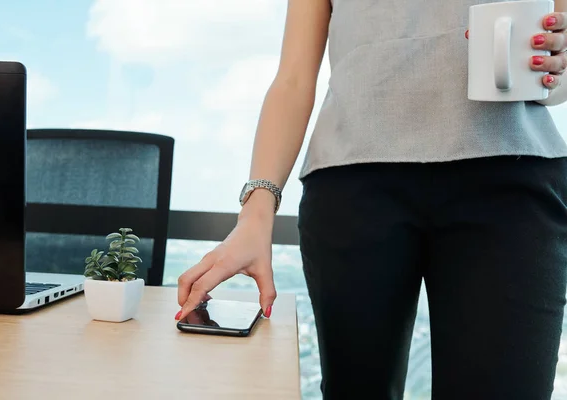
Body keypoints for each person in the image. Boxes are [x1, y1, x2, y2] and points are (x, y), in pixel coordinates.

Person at [176, 0, 567, 398]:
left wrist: (554, 66)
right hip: (352, 188)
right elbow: (293, 79)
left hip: (512, 181)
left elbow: (558, 68)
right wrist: (255, 215)